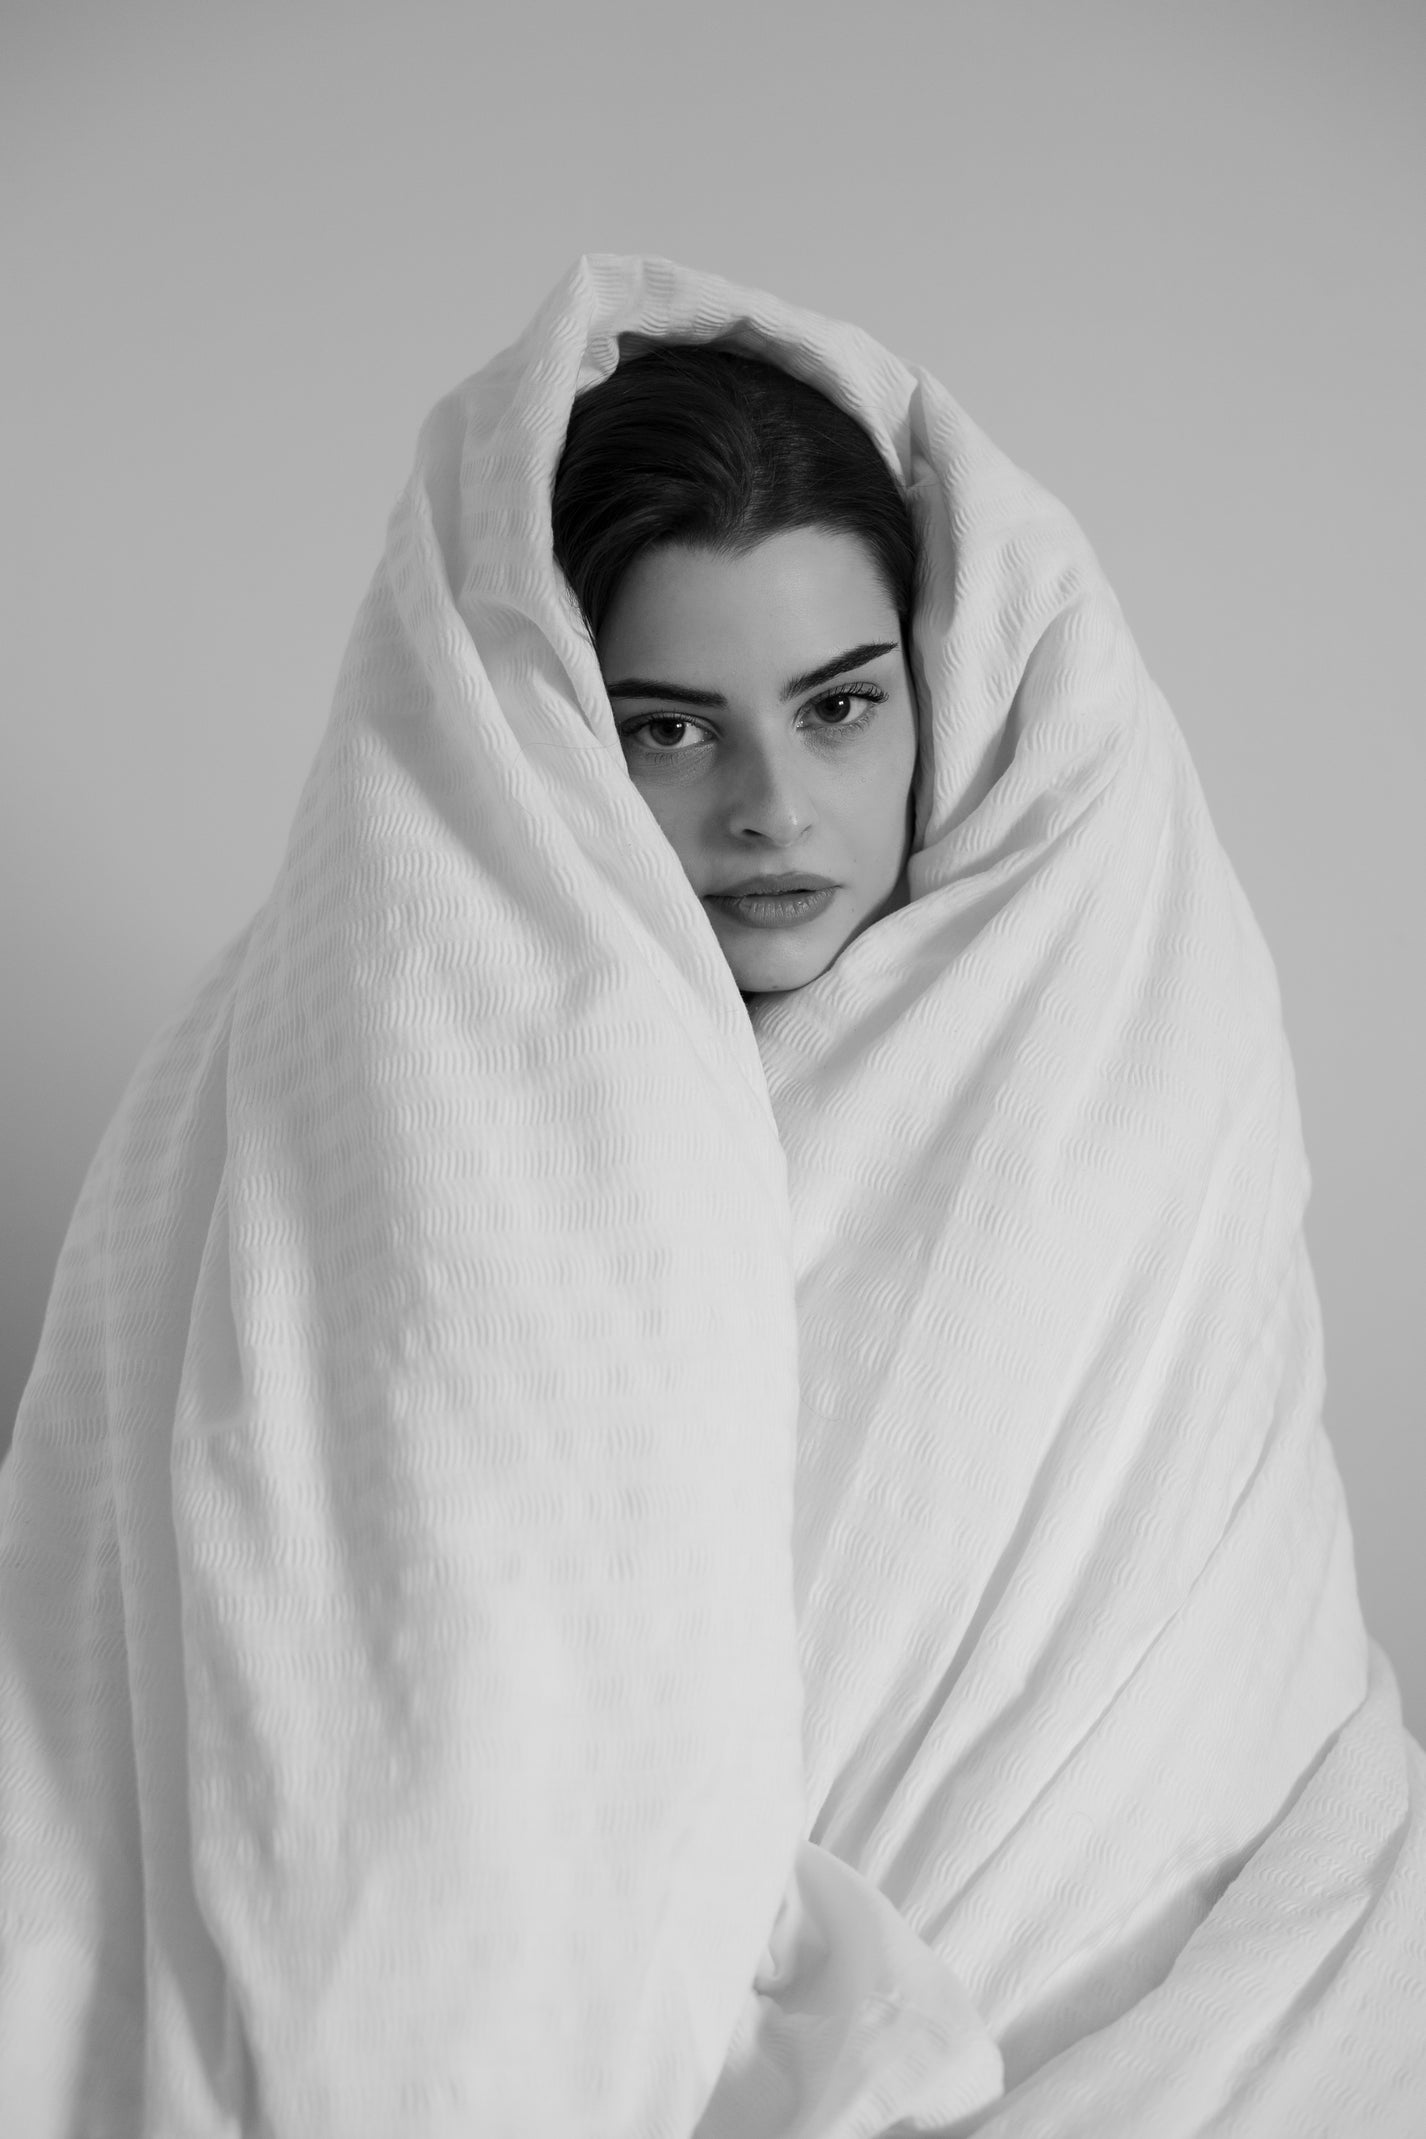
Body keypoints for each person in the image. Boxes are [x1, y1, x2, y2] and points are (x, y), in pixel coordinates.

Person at [2, 253, 1424, 2139]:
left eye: (838, 708)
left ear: (938, 682)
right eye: (670, 727)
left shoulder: (1118, 1017)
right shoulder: (347, 1065)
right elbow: (367, 1700)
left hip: (1198, 2016)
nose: (770, 805)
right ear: (546, 732)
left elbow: (1184, 1622)